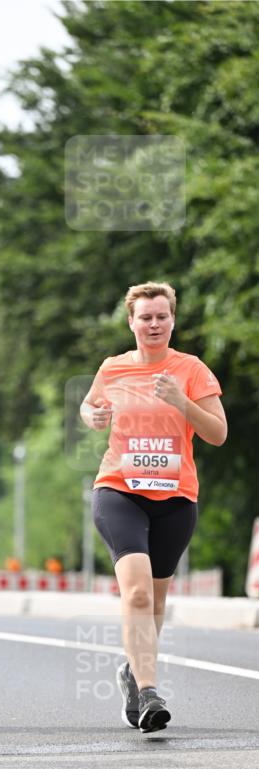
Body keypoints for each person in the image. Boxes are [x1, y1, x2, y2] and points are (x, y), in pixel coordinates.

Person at [80, 281, 227, 733]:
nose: (154, 324)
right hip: (119, 491)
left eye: (162, 316)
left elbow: (217, 433)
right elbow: (90, 405)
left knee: (156, 601)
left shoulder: (191, 370)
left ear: (173, 320)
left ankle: (132, 671)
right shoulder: (114, 368)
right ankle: (148, 693)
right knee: (138, 592)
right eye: (145, 317)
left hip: (175, 499)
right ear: (131, 322)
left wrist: (181, 402)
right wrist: (94, 415)